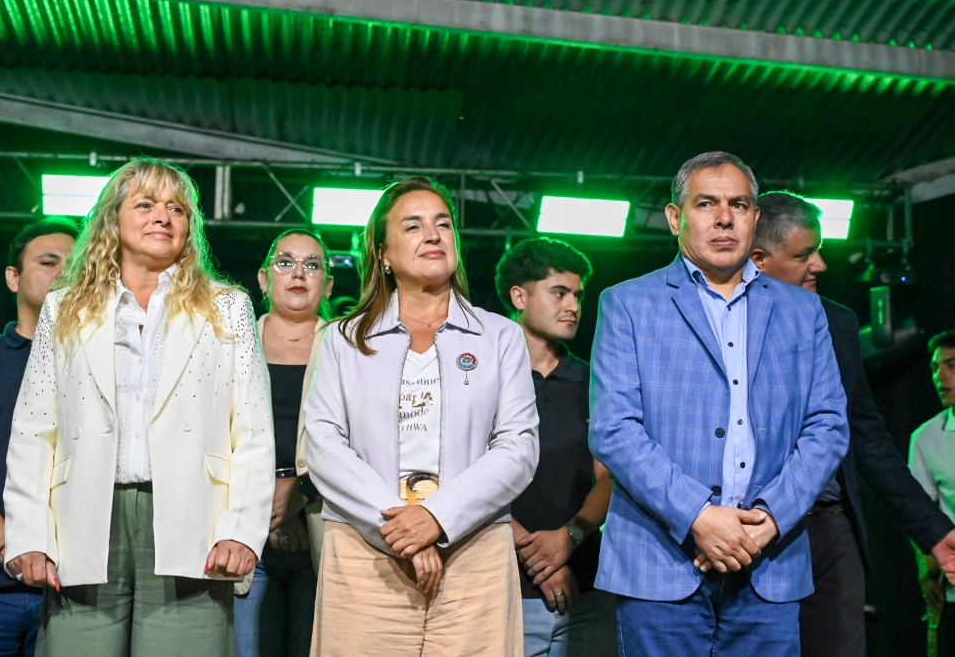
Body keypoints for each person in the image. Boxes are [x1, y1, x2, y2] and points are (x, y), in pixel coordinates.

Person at [2, 157, 275, 656]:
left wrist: (242, 531)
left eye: (176, 208)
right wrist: (29, 535)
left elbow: (253, 431)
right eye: (146, 204)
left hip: (194, 522)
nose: (162, 216)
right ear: (113, 218)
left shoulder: (228, 306)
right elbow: (33, 430)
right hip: (83, 519)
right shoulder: (64, 307)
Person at [590, 151, 849, 656]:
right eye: (706, 203)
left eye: (739, 204)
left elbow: (828, 425)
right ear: (675, 217)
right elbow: (613, 429)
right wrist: (699, 517)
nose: (725, 217)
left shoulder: (804, 310)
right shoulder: (627, 303)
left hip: (769, 562)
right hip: (659, 564)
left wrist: (769, 519)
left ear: (755, 217)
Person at [304, 176, 539, 656]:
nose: (433, 235)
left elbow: (518, 447)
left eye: (443, 224)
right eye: (413, 226)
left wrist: (437, 517)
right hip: (366, 550)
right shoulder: (342, 339)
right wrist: (401, 530)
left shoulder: (500, 337)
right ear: (383, 253)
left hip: (474, 551)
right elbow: (323, 445)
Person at [750, 191, 955, 657]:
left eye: (819, 251)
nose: (820, 265)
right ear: (759, 260)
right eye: (804, 255)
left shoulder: (838, 323)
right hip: (755, 531)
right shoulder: (721, 323)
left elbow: (868, 439)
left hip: (831, 528)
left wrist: (934, 531)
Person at [495, 237, 618, 656]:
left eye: (578, 296)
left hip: (588, 590)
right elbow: (464, 476)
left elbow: (610, 477)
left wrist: (570, 536)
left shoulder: (593, 381)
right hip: (504, 590)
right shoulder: (486, 377)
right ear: (519, 297)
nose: (573, 307)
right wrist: (540, 559)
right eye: (559, 293)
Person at [0, 218, 77, 656]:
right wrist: (9, 536)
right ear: (13, 278)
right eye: (49, 262)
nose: (63, 273)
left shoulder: (104, 367)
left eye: (75, 265)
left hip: (75, 588)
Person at [234, 228, 333, 657]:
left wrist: (298, 494)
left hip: (322, 525)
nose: (298, 273)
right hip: (244, 530)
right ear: (263, 278)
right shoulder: (233, 343)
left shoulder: (347, 347)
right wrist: (269, 504)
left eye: (312, 265)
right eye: (286, 262)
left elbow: (361, 440)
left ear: (328, 285)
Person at [910, 331, 955, 656]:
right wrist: (926, 571)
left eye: (951, 365)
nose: (940, 377)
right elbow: (918, 514)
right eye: (936, 368)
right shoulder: (925, 438)